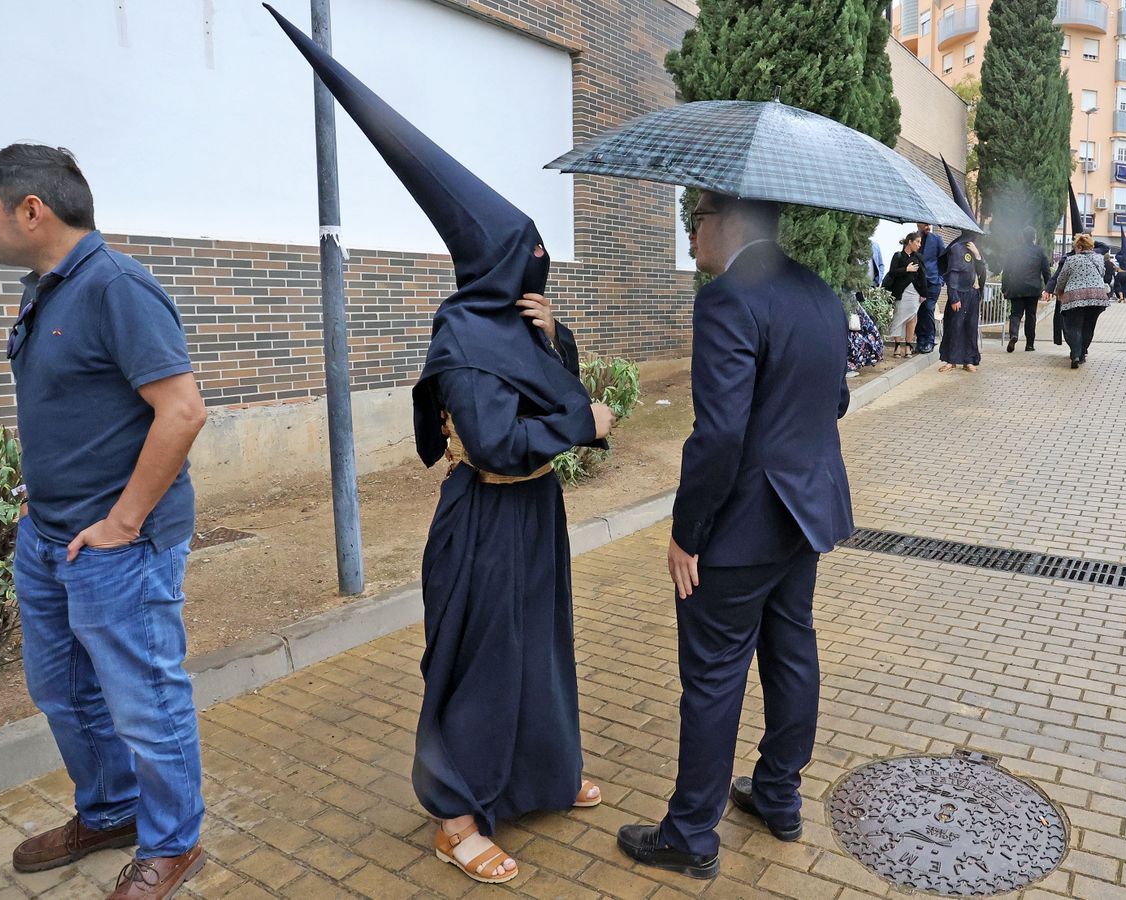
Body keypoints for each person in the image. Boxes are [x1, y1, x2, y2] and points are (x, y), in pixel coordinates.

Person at [264, 11, 618, 886]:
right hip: (487, 517)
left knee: (540, 645)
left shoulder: (522, 327)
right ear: (498, 260)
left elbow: (557, 400)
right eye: (528, 257)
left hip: (535, 514)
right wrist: (587, 424)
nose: (538, 270)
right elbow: (498, 445)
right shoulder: (461, 339)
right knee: (480, 661)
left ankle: (540, 773)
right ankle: (455, 814)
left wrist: (554, 341)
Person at [0, 144, 209, 899]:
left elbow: (182, 412)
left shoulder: (118, 287)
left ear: (30, 210)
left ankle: (174, 842)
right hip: (49, 536)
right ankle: (111, 809)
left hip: (119, 546)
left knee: (146, 700)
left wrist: (122, 521)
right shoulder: (43, 288)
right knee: (64, 692)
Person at [617, 191, 854, 879]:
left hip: (742, 528)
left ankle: (691, 834)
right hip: (804, 516)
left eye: (695, 223)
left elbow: (718, 435)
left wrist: (687, 534)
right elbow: (830, 400)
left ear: (728, 224)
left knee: (715, 676)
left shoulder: (727, 299)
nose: (691, 239)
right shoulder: (818, 292)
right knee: (791, 650)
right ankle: (778, 796)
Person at [1052, 233, 1111, 369]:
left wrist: (1059, 291)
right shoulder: (1099, 258)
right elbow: (1101, 274)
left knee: (1074, 326)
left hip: (1074, 297)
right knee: (1088, 326)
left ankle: (1075, 355)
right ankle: (1083, 353)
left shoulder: (1071, 260)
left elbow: (1062, 278)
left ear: (1078, 247)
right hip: (1096, 297)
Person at [938, 232, 987, 373]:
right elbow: (952, 274)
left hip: (972, 294)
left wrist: (977, 256)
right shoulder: (956, 248)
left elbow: (982, 272)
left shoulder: (975, 248)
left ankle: (969, 360)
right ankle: (950, 360)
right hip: (959, 295)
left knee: (971, 328)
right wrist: (953, 297)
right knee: (955, 327)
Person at [999, 226, 1051, 353]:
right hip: (1033, 289)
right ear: (1034, 237)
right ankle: (1029, 345)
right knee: (1031, 316)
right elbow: (1046, 271)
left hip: (1016, 287)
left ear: (1022, 236)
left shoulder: (1013, 251)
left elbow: (1006, 272)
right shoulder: (1039, 251)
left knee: (1015, 314)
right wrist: (1049, 288)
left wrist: (1004, 288)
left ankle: (1013, 335)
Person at [882, 231, 928, 358]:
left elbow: (923, 276)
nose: (919, 245)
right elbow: (892, 272)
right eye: (917, 242)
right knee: (898, 317)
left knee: (912, 319)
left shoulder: (919, 258)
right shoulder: (898, 256)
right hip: (900, 292)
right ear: (910, 242)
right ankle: (897, 345)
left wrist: (924, 293)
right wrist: (906, 269)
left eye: (920, 242)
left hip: (914, 293)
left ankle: (908, 345)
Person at [914, 222, 945, 353]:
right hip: (917, 282)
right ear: (918, 224)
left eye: (929, 224)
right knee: (919, 312)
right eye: (924, 224)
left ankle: (930, 341)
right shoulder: (914, 239)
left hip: (933, 282)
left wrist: (941, 279)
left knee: (928, 309)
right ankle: (920, 341)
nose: (928, 226)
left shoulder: (937, 239)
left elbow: (944, 260)